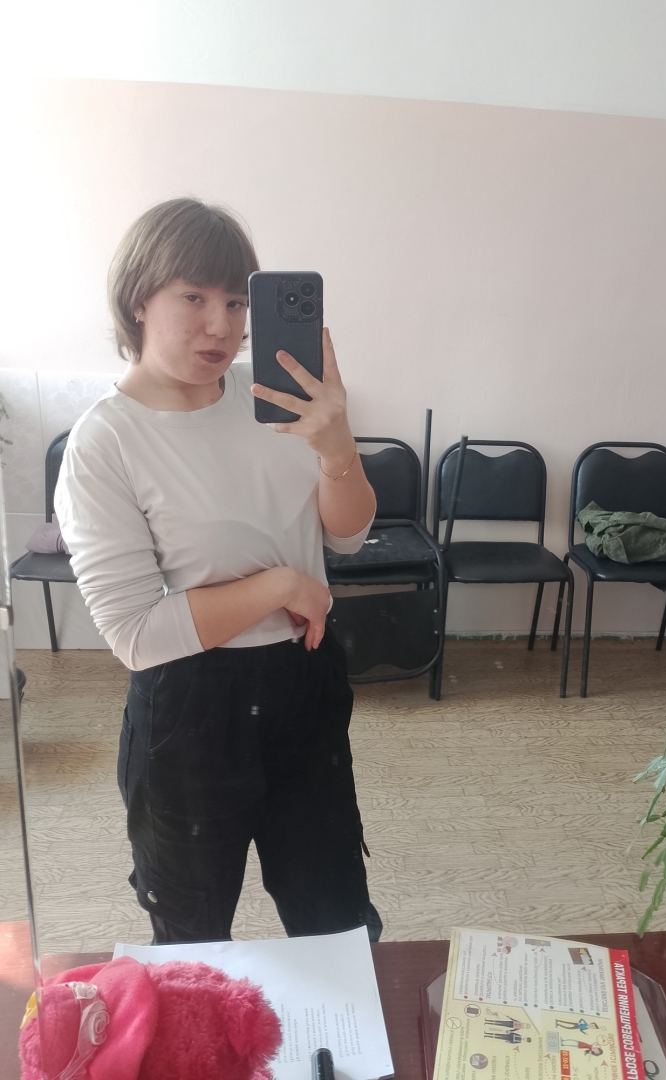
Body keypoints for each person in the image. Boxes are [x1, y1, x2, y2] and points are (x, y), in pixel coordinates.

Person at [54, 197, 382, 944]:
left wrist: (337, 447)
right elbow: (136, 634)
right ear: (139, 299)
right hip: (190, 709)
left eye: (236, 301)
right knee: (193, 939)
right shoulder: (106, 443)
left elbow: (351, 534)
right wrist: (280, 586)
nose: (222, 325)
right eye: (194, 298)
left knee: (336, 924)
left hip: (304, 686)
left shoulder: (280, 399)